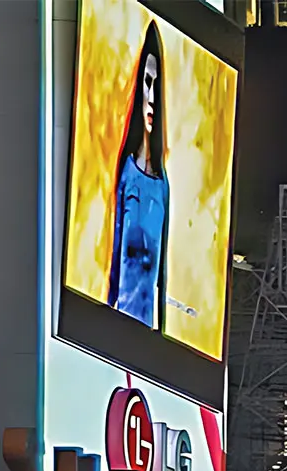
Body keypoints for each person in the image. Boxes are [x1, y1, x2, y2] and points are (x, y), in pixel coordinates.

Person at [108, 25, 171, 330]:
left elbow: (164, 271)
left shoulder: (163, 185)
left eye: (156, 85)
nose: (152, 96)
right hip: (122, 316)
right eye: (147, 82)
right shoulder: (127, 174)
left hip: (148, 323)